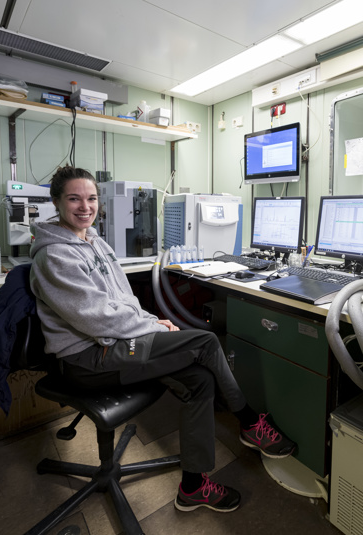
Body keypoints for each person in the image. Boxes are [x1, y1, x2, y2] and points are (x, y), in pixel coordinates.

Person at [29, 165, 295, 513]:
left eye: (91, 198)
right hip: (88, 359)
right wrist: (153, 329)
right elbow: (98, 317)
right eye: (74, 199)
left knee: (200, 380)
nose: (85, 207)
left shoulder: (94, 242)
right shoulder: (53, 255)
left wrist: (153, 321)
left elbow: (124, 302)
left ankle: (193, 487)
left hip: (114, 345)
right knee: (205, 342)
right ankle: (248, 421)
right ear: (56, 202)